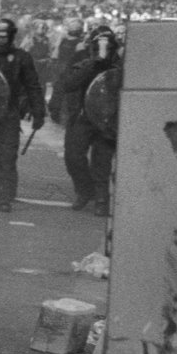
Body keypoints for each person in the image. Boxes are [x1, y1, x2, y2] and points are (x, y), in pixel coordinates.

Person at [0, 17, 45, 214]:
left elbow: (32, 85)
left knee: (6, 156)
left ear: (10, 37)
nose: (0, 40)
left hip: (8, 112)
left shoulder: (21, 57)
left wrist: (38, 111)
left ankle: (4, 197)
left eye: (4, 36)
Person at [59, 19, 121, 213]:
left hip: (108, 119)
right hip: (82, 116)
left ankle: (102, 199)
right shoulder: (81, 57)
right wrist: (91, 64)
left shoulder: (121, 63)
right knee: (73, 157)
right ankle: (85, 191)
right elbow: (68, 83)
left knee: (102, 161)